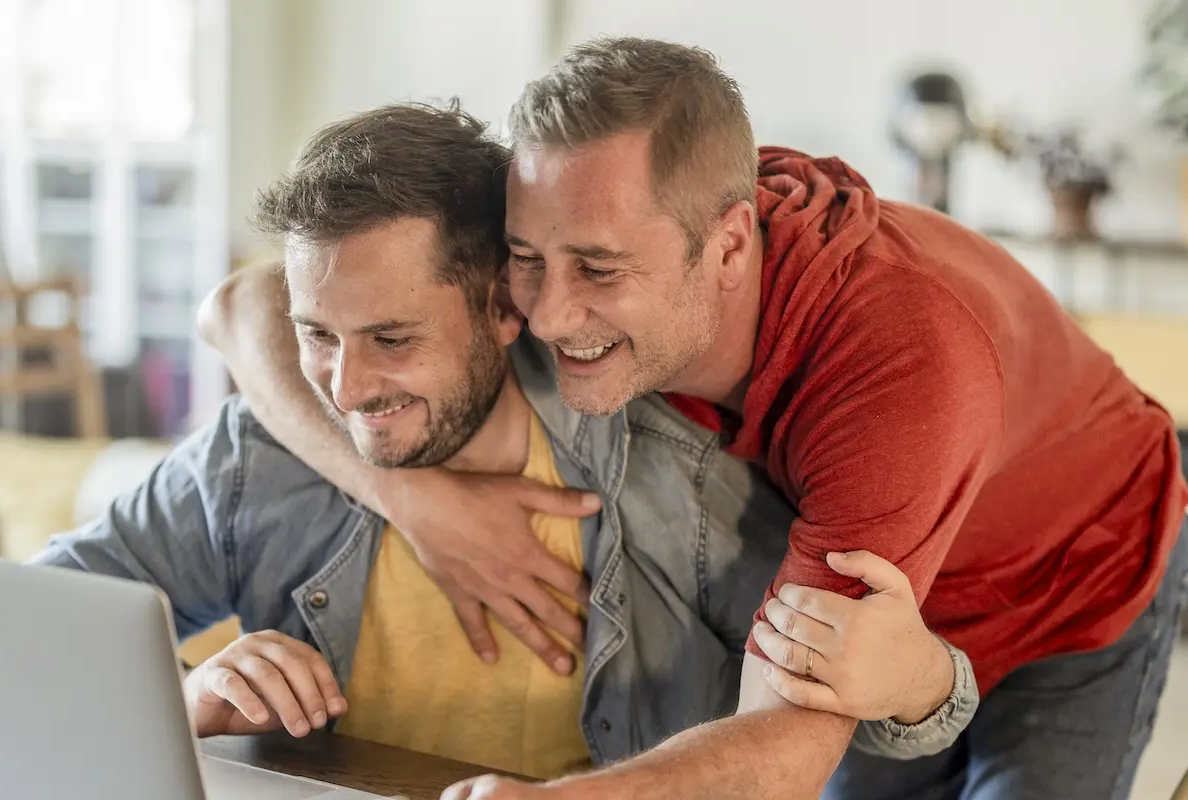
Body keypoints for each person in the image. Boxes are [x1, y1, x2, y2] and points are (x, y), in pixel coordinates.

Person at [209, 39, 1188, 800]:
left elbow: (786, 746)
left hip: (1077, 579)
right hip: (882, 605)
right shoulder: (600, 215)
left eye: (598, 270)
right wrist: (412, 498)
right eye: (528, 260)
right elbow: (243, 307)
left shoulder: (896, 367)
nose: (547, 317)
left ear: (727, 247)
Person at [31, 104, 973, 784]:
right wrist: (183, 697)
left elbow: (870, 724)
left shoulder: (668, 469)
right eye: (317, 334)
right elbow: (26, 637)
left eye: (392, 339)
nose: (345, 391)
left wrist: (925, 683)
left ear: (503, 306)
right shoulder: (260, 457)